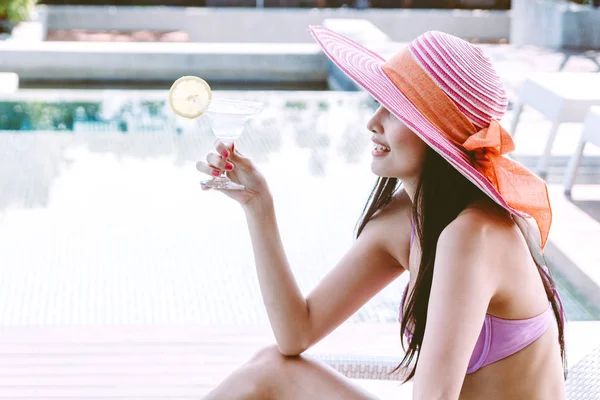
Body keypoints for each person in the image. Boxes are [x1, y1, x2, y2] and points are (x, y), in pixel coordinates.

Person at [198, 26, 567, 399]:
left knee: (268, 375)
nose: (373, 122)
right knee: (270, 366)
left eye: (395, 110)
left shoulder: (475, 233)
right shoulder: (405, 222)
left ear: (433, 134)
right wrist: (258, 205)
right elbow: (297, 332)